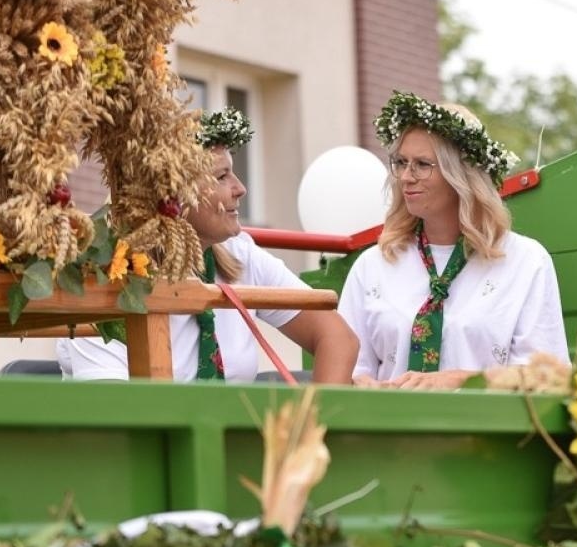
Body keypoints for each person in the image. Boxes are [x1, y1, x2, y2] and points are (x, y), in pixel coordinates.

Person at [59, 108, 358, 383]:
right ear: (170, 194)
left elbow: (338, 339)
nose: (241, 188)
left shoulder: (239, 255)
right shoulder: (104, 275)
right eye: (221, 176)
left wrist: (312, 420)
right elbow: (113, 409)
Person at [338, 91, 568, 389]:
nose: (406, 176)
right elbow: (347, 372)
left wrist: (459, 380)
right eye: (401, 162)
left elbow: (548, 377)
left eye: (422, 164)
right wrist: (368, 385)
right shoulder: (373, 265)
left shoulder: (526, 261)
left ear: (461, 174)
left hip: (486, 421)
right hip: (389, 420)